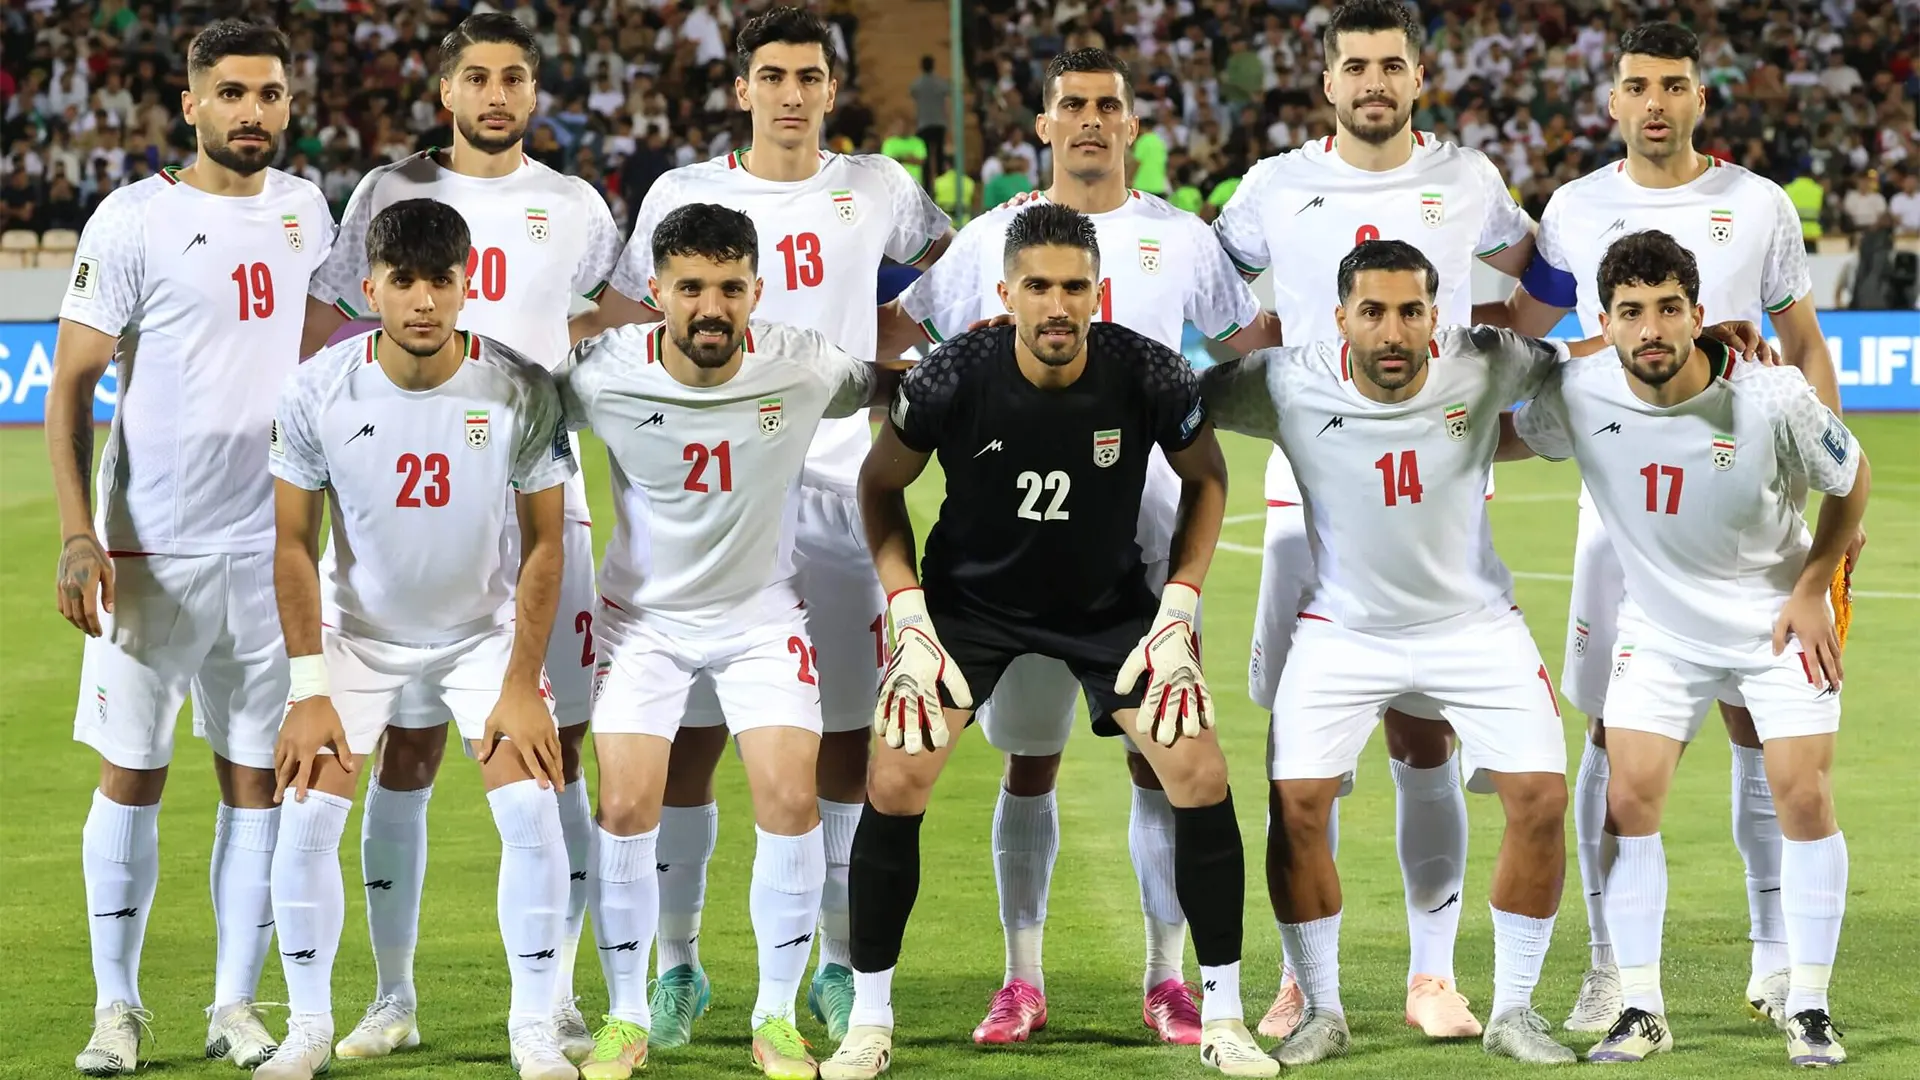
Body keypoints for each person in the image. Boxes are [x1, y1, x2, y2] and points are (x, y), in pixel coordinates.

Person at [565, 5, 952, 1047]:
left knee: (834, 746)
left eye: (809, 76)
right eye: (772, 75)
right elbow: (627, 312)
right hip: (715, 488)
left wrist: (890, 345)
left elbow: (943, 278)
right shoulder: (686, 194)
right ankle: (680, 967)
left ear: (832, 88)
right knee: (682, 747)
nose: (792, 92)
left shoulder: (876, 187)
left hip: (834, 486)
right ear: (742, 87)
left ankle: (828, 965)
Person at [822, 204, 1275, 1080]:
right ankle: (869, 1024)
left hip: (1107, 606)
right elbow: (879, 488)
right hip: (971, 607)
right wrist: (909, 616)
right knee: (896, 772)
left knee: (1199, 769)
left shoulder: (1150, 372)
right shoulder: (953, 374)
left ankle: (1223, 1014)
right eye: (1039, 287)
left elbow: (1206, 477)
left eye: (1075, 287)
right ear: (1007, 293)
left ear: (1099, 293)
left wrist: (1177, 608)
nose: (1058, 305)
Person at [1497, 21, 1849, 1032]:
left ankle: (1777, 954)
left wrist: (1830, 493)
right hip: (1620, 509)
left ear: (1703, 97)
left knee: (1760, 725)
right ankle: (1613, 970)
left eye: (1675, 85)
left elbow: (1804, 344)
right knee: (1613, 728)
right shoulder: (1573, 208)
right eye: (1638, 86)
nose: (1656, 102)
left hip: (1751, 506)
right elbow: (1529, 341)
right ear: (1612, 101)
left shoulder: (1758, 205)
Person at [1207, 0, 1539, 1040]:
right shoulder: (1272, 186)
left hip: (1433, 498)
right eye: (1356, 67)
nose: (1374, 83)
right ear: (1329, 82)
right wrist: (1277, 383)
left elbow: (1543, 285)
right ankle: (1309, 977)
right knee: (1309, 753)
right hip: (1303, 495)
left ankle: (1433, 977)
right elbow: (1221, 307)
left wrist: (1475, 387)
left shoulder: (1469, 176)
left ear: (1417, 76)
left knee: (1424, 734)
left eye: (1391, 65)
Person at [299, 13, 624, 1059]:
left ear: (536, 92)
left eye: (515, 78)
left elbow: (612, 326)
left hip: (539, 497)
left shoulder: (575, 206)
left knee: (547, 745)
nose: (496, 94)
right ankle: (392, 998)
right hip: (406, 500)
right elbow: (326, 322)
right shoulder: (388, 194)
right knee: (404, 749)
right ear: (445, 91)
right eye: (476, 77)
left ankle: (557, 997)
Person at [1199, 239, 1577, 1067]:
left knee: (1542, 800)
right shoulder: (1287, 380)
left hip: (1475, 626)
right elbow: (1176, 401)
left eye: (1412, 311)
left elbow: (1582, 366)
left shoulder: (1484, 364)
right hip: (1344, 630)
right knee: (1296, 806)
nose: (1394, 330)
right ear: (1342, 318)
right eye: (1373, 311)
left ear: (1437, 317)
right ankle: (1322, 1008)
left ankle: (1515, 1008)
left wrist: (1714, 346)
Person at [43, 20, 334, 1074]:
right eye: (231, 93)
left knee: (257, 779)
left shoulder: (309, 210)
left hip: (269, 551)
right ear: (192, 104)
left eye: (269, 95)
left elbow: (310, 366)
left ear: (288, 107)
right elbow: (69, 388)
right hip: (148, 551)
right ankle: (115, 1011)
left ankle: (234, 1006)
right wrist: (81, 534)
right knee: (134, 773)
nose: (251, 111)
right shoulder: (134, 220)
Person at [559, 203, 890, 1080]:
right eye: (692, 288)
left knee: (791, 801)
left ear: (758, 290)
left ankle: (775, 1020)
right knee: (626, 807)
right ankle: (629, 1016)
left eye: (731, 287)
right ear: (656, 293)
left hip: (762, 620)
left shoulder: (805, 365)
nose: (712, 307)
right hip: (644, 623)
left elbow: (891, 389)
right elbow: (511, 407)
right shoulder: (600, 372)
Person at [255, 198, 577, 1080]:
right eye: (404, 282)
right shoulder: (317, 387)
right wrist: (308, 684)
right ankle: (310, 1028)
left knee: (531, 808)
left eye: (442, 281)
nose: (424, 301)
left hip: (481, 636)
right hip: (357, 637)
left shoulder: (519, 387)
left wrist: (521, 679)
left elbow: (548, 544)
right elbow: (291, 542)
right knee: (307, 817)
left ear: (468, 285)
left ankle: (534, 1028)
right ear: (372, 289)